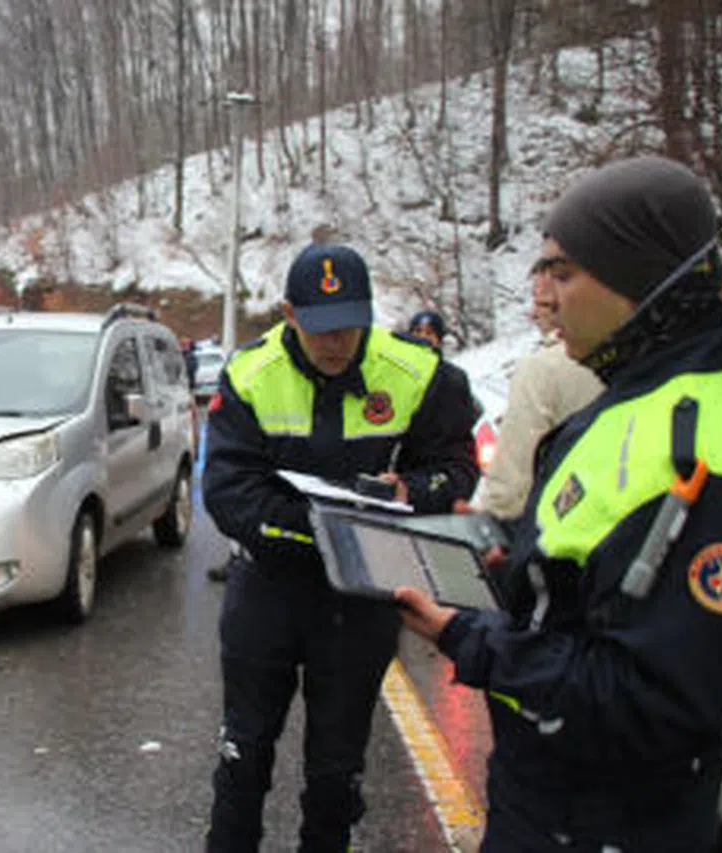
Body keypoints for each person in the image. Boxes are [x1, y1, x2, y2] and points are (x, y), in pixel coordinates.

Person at [397, 156, 722, 852]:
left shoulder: (711, 450)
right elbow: (590, 584)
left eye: (563, 273)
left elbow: (659, 701)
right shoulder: (630, 396)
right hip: (546, 800)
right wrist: (510, 564)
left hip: (608, 823)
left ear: (639, 282)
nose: (544, 297)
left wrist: (468, 639)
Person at [203, 242, 479, 851]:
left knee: (335, 772)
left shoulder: (418, 370)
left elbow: (458, 467)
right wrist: (324, 530)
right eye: (321, 328)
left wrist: (412, 490)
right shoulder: (251, 373)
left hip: (359, 593)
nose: (336, 343)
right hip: (269, 585)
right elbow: (227, 493)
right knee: (242, 757)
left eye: (351, 327)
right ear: (289, 314)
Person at [472, 264, 604, 520]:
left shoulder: (542, 369)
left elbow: (509, 491)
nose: (533, 315)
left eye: (542, 305)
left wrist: (485, 525)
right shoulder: (648, 359)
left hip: (559, 528)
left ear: (566, 302)